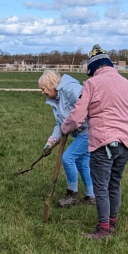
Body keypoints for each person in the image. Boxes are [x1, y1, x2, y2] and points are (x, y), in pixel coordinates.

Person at [62, 45, 128, 239]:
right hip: (126, 143)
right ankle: (113, 222)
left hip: (104, 143)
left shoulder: (92, 84)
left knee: (101, 186)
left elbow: (77, 116)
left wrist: (65, 128)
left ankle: (103, 230)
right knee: (114, 184)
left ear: (92, 69)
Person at [38, 70, 94, 208]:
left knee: (67, 158)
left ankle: (72, 194)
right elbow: (60, 125)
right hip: (82, 132)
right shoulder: (55, 100)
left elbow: (88, 102)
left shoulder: (70, 89)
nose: (42, 92)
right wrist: (49, 144)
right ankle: (91, 196)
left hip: (90, 130)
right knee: (82, 163)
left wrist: (76, 122)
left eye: (43, 88)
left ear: (51, 85)